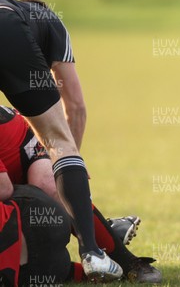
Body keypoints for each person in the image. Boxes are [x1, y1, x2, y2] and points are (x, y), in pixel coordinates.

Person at [0, 0, 121, 280]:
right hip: (7, 29)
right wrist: (65, 164)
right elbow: (75, 107)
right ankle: (92, 252)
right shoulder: (49, 20)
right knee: (59, 141)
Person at [0, 105, 162, 283]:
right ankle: (103, 232)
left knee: (48, 190)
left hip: (25, 144)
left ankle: (128, 262)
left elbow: (4, 187)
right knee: (31, 237)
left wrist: (69, 167)